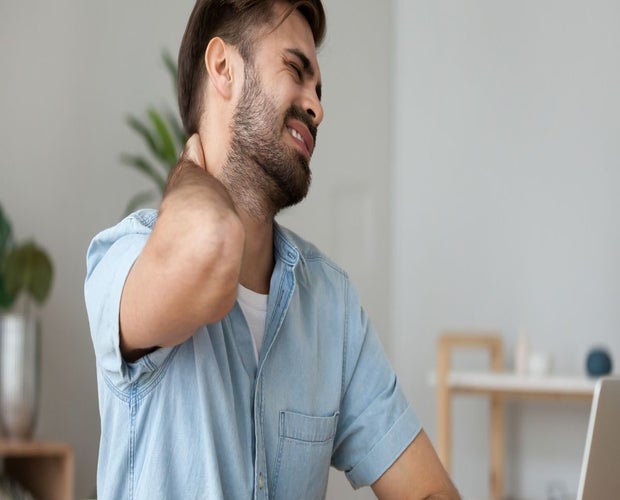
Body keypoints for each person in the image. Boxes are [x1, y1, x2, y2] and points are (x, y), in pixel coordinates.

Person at [85, 0, 460, 498]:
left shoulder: (331, 304)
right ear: (223, 68)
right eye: (296, 70)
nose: (317, 106)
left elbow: (431, 491)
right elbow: (209, 246)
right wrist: (189, 171)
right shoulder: (124, 261)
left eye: (319, 90)